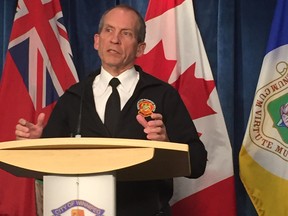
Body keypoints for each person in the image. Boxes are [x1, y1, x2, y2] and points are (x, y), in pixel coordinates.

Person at [15, 4, 207, 216]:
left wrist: (168, 146)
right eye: (109, 30)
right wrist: (39, 144)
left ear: (140, 48)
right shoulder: (74, 97)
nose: (115, 39)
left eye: (126, 33)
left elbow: (198, 163)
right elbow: (49, 166)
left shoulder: (162, 95)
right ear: (97, 41)